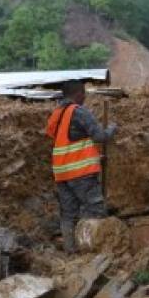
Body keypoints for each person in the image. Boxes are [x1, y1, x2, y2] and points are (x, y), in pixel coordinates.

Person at [45, 80, 116, 253]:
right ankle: (95, 250)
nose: (85, 97)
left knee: (69, 214)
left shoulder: (57, 114)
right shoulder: (79, 112)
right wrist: (112, 129)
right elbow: (99, 136)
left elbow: (69, 141)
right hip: (81, 172)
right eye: (83, 93)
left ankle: (71, 251)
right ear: (77, 94)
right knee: (95, 210)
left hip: (62, 172)